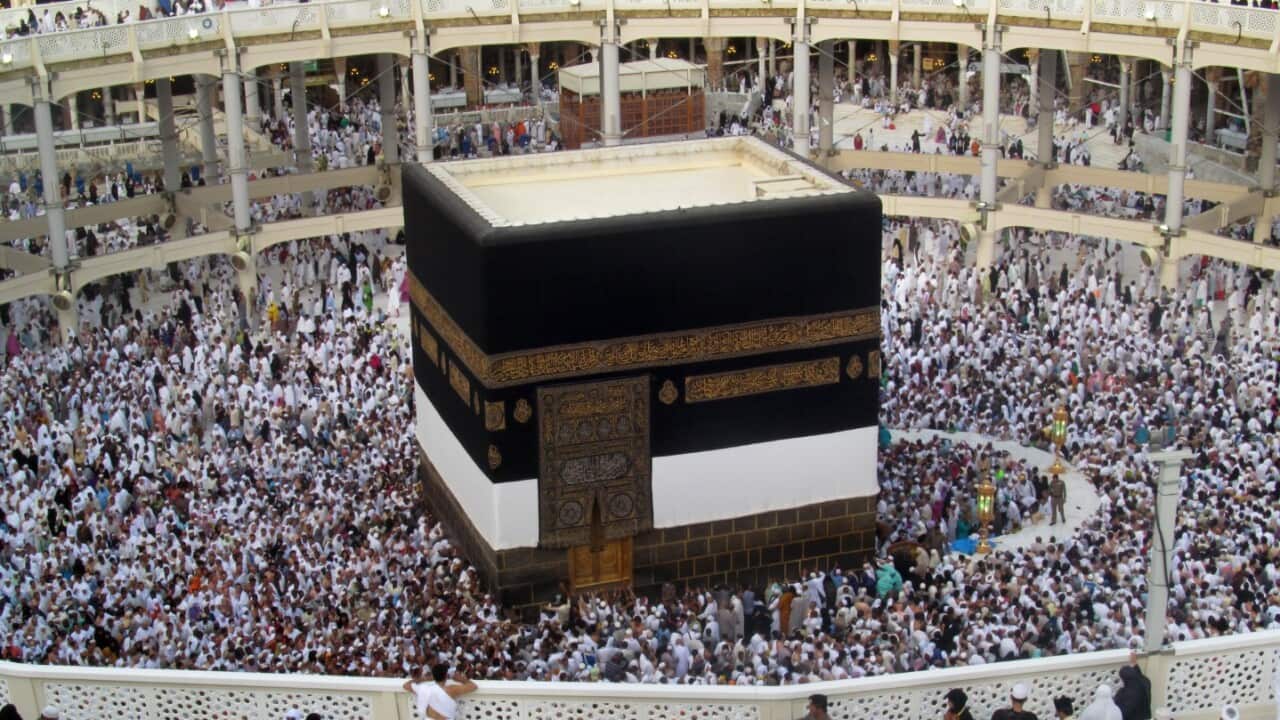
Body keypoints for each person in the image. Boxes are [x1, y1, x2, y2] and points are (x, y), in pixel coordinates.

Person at [404, 663, 478, 720]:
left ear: (433, 676)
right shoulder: (452, 689)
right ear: (446, 676)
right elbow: (473, 686)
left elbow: (406, 685)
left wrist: (425, 679)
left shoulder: (424, 688)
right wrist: (461, 679)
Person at [1113, 652, 1152, 720]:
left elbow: (1121, 712)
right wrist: (1134, 663)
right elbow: (1139, 676)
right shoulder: (1146, 681)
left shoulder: (1125, 693)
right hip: (1145, 716)